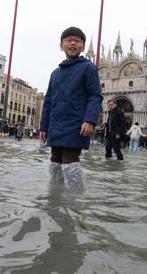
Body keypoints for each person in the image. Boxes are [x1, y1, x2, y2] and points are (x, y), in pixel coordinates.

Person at [40, 26, 103, 190]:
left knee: (70, 161)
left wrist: (89, 120)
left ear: (83, 46)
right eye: (69, 40)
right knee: (55, 161)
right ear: (61, 45)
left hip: (75, 124)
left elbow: (95, 96)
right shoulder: (55, 73)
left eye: (77, 40)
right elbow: (48, 101)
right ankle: (55, 196)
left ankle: (75, 201)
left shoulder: (88, 68)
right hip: (55, 124)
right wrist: (43, 127)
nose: (73, 43)